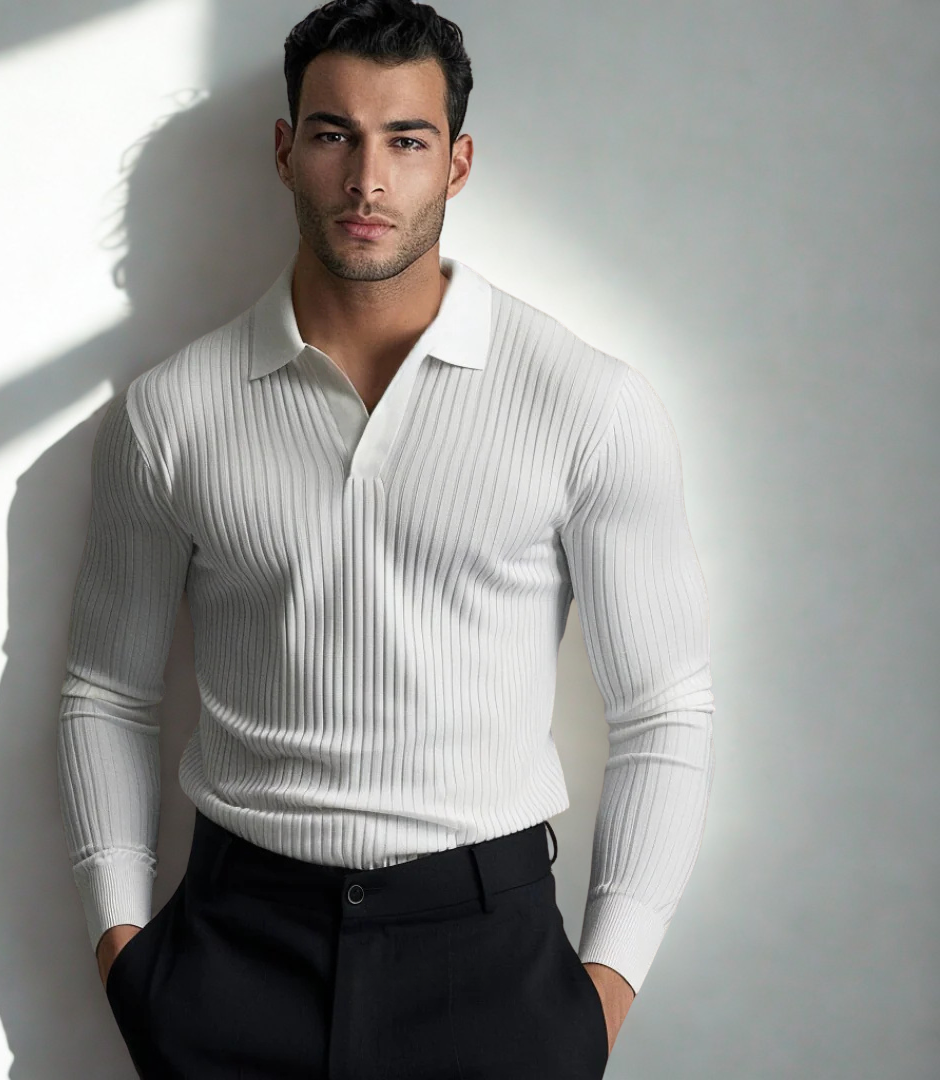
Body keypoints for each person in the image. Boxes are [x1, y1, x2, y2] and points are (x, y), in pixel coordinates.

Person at [57, 1, 715, 1076]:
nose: (368, 179)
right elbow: (107, 690)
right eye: (335, 135)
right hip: (234, 949)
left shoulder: (585, 404)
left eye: (406, 140)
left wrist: (598, 1000)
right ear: (286, 151)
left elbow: (666, 707)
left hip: (492, 960)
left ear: (457, 163)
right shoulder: (172, 413)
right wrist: (126, 954)